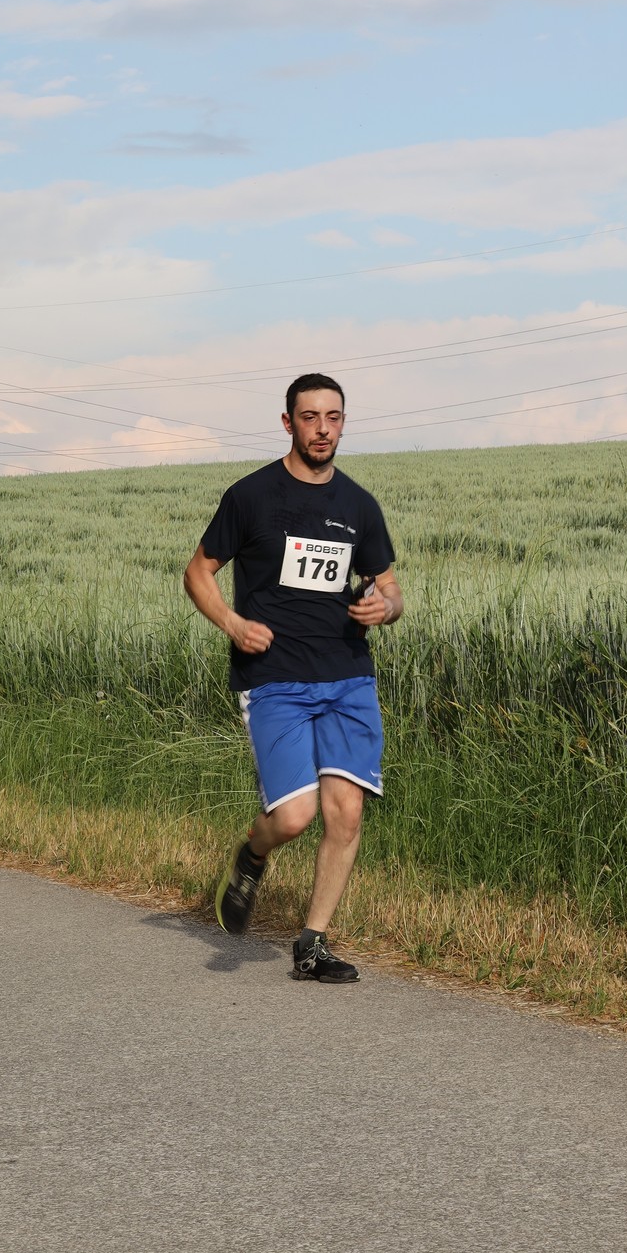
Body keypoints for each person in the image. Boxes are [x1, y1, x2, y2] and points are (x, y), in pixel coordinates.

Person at [184, 374, 403, 983]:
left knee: (347, 813)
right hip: (275, 677)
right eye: (310, 418)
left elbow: (390, 588)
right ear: (288, 423)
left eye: (333, 417)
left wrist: (384, 608)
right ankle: (253, 853)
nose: (323, 429)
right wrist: (232, 623)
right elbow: (197, 572)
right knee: (293, 817)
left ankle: (312, 945)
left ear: (343, 422)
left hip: (348, 676)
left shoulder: (359, 505)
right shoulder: (250, 496)